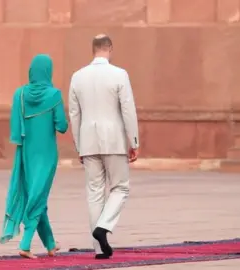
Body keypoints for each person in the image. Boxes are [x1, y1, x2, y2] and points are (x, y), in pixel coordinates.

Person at [68, 34, 139, 259]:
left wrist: (79, 145)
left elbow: (74, 114)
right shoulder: (119, 74)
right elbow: (128, 109)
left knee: (94, 193)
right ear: (109, 48)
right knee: (120, 187)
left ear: (93, 49)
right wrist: (134, 140)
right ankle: (104, 227)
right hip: (114, 139)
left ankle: (99, 248)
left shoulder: (77, 77)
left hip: (88, 140)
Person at [0, 54, 68, 259]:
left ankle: (50, 243)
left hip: (26, 154)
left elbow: (15, 127)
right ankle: (25, 244)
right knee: (37, 197)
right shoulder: (54, 95)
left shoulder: (19, 95)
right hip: (46, 155)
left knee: (36, 196)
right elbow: (62, 127)